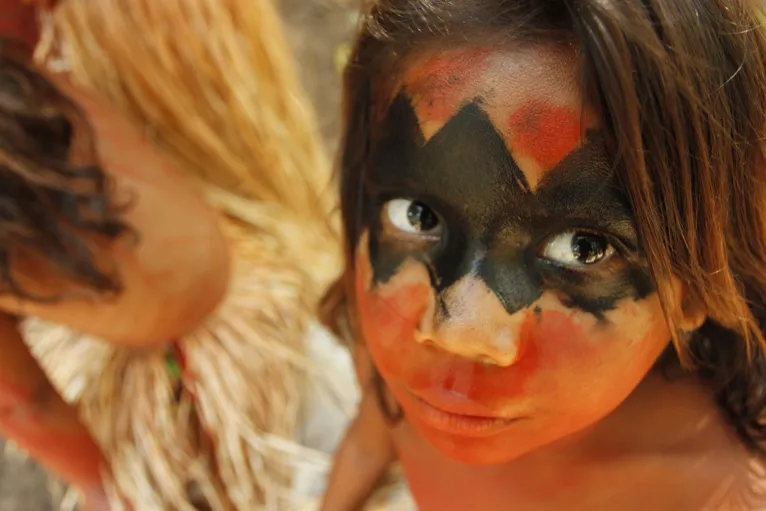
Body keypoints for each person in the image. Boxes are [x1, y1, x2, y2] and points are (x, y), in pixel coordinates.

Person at [321, 0, 766, 509]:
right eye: (418, 215)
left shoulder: (711, 494)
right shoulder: (401, 372)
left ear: (700, 279)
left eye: (583, 248)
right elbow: (368, 441)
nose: (459, 334)